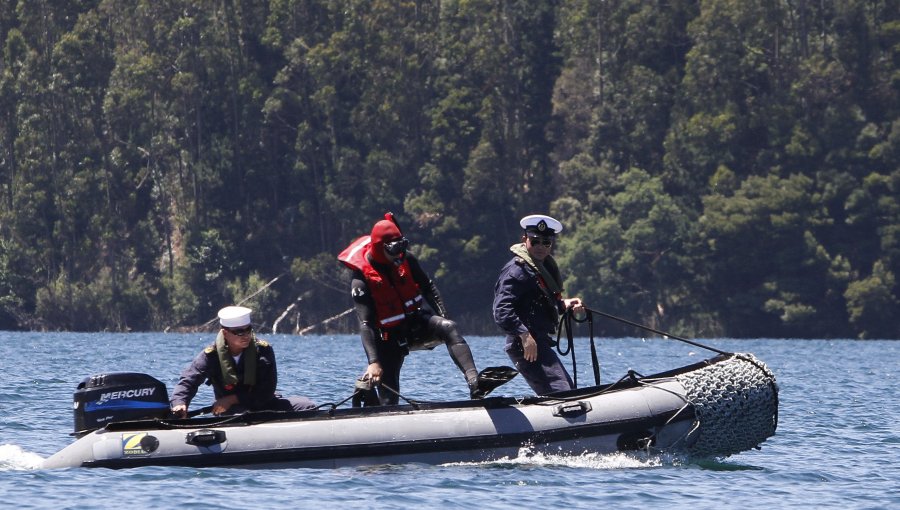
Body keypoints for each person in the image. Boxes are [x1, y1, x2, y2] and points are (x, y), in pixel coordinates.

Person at [338, 214, 514, 404]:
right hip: (387, 340)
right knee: (389, 399)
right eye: (394, 249)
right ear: (381, 248)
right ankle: (369, 397)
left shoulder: (406, 259)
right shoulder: (361, 280)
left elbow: (428, 287)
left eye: (402, 247)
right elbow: (366, 324)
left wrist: (443, 319)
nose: (399, 254)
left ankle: (475, 384)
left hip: (416, 325)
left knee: (449, 327)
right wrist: (374, 362)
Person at [492, 214, 585, 395]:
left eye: (546, 242)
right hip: (525, 345)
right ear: (525, 239)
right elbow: (502, 310)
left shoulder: (537, 269)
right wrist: (524, 336)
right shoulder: (517, 270)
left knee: (568, 390)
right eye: (535, 241)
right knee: (562, 393)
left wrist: (564, 304)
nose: (541, 247)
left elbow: (536, 305)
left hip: (539, 341)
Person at [170, 306, 316, 417]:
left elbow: (266, 391)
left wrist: (232, 399)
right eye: (239, 332)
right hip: (232, 411)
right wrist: (180, 404)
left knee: (307, 406)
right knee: (241, 416)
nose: (245, 335)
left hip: (264, 402)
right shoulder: (211, 356)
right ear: (225, 333)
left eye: (248, 330)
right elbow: (188, 381)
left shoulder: (263, 351)